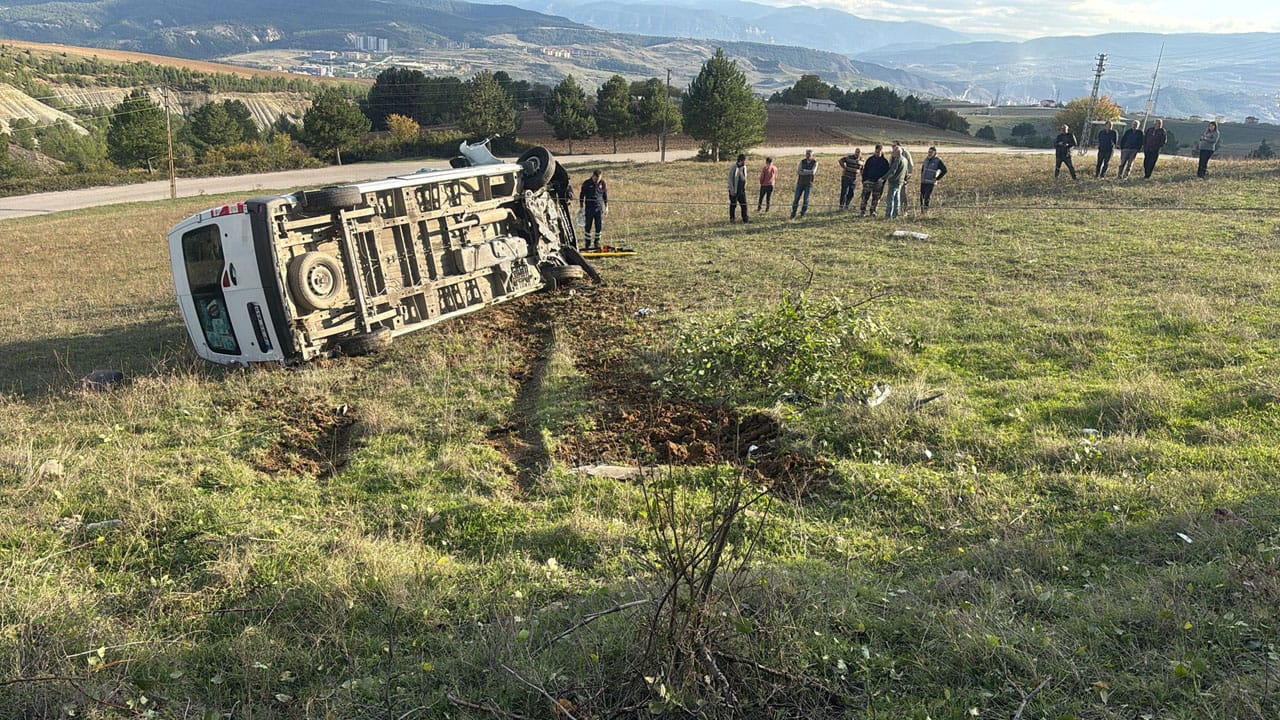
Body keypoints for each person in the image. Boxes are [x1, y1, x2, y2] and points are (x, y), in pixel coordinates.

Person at [579, 169, 608, 250]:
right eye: (596, 178)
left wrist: (606, 207)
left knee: (599, 226)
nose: (597, 180)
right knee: (588, 225)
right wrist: (581, 207)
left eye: (599, 178)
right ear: (593, 176)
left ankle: (597, 242)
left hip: (599, 208)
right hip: (589, 208)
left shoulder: (603, 183)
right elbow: (582, 196)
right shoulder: (586, 183)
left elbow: (605, 195)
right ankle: (587, 243)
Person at [859, 144, 890, 217]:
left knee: (876, 199)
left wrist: (882, 182)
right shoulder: (870, 160)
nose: (877, 153)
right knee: (864, 198)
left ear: (882, 152)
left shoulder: (884, 162)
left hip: (878, 183)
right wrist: (864, 180)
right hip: (868, 182)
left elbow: (886, 173)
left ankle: (873, 211)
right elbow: (865, 170)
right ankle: (862, 211)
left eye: (879, 152)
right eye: (876, 152)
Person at [918, 146, 947, 212]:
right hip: (923, 181)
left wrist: (937, 178)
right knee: (921, 197)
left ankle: (926, 211)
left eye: (931, 152)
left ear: (935, 153)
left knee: (927, 197)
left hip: (930, 182)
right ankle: (922, 211)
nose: (929, 153)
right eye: (929, 152)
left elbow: (944, 170)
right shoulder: (926, 159)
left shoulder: (938, 160)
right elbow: (923, 169)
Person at [790, 149, 817, 219]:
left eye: (809, 154)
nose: (808, 155)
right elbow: (799, 171)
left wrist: (804, 171)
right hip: (800, 183)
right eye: (807, 154)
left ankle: (803, 213)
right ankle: (793, 213)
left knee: (806, 200)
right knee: (796, 199)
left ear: (812, 155)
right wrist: (808, 172)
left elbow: (813, 172)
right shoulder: (802, 162)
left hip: (809, 183)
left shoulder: (815, 162)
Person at [883, 146, 906, 219]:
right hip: (900, 181)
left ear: (897, 152)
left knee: (890, 199)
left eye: (893, 151)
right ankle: (895, 214)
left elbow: (892, 171)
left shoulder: (897, 160)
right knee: (897, 198)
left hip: (894, 181)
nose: (892, 152)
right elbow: (906, 171)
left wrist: (883, 178)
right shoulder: (905, 160)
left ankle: (888, 215)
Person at [892, 141, 914, 213]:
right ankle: (896, 210)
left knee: (902, 194)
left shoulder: (905, 153)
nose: (892, 147)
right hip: (895, 177)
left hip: (903, 177)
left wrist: (908, 176)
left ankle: (904, 211)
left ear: (899, 146)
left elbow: (910, 165)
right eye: (892, 146)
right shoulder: (893, 153)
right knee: (895, 194)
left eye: (894, 146)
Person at [727, 154, 749, 223]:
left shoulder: (744, 167)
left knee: (744, 205)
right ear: (740, 160)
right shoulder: (733, 167)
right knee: (733, 205)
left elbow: (745, 177)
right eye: (744, 161)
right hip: (734, 190)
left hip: (742, 190)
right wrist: (732, 190)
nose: (745, 162)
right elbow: (730, 180)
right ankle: (732, 219)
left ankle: (745, 219)